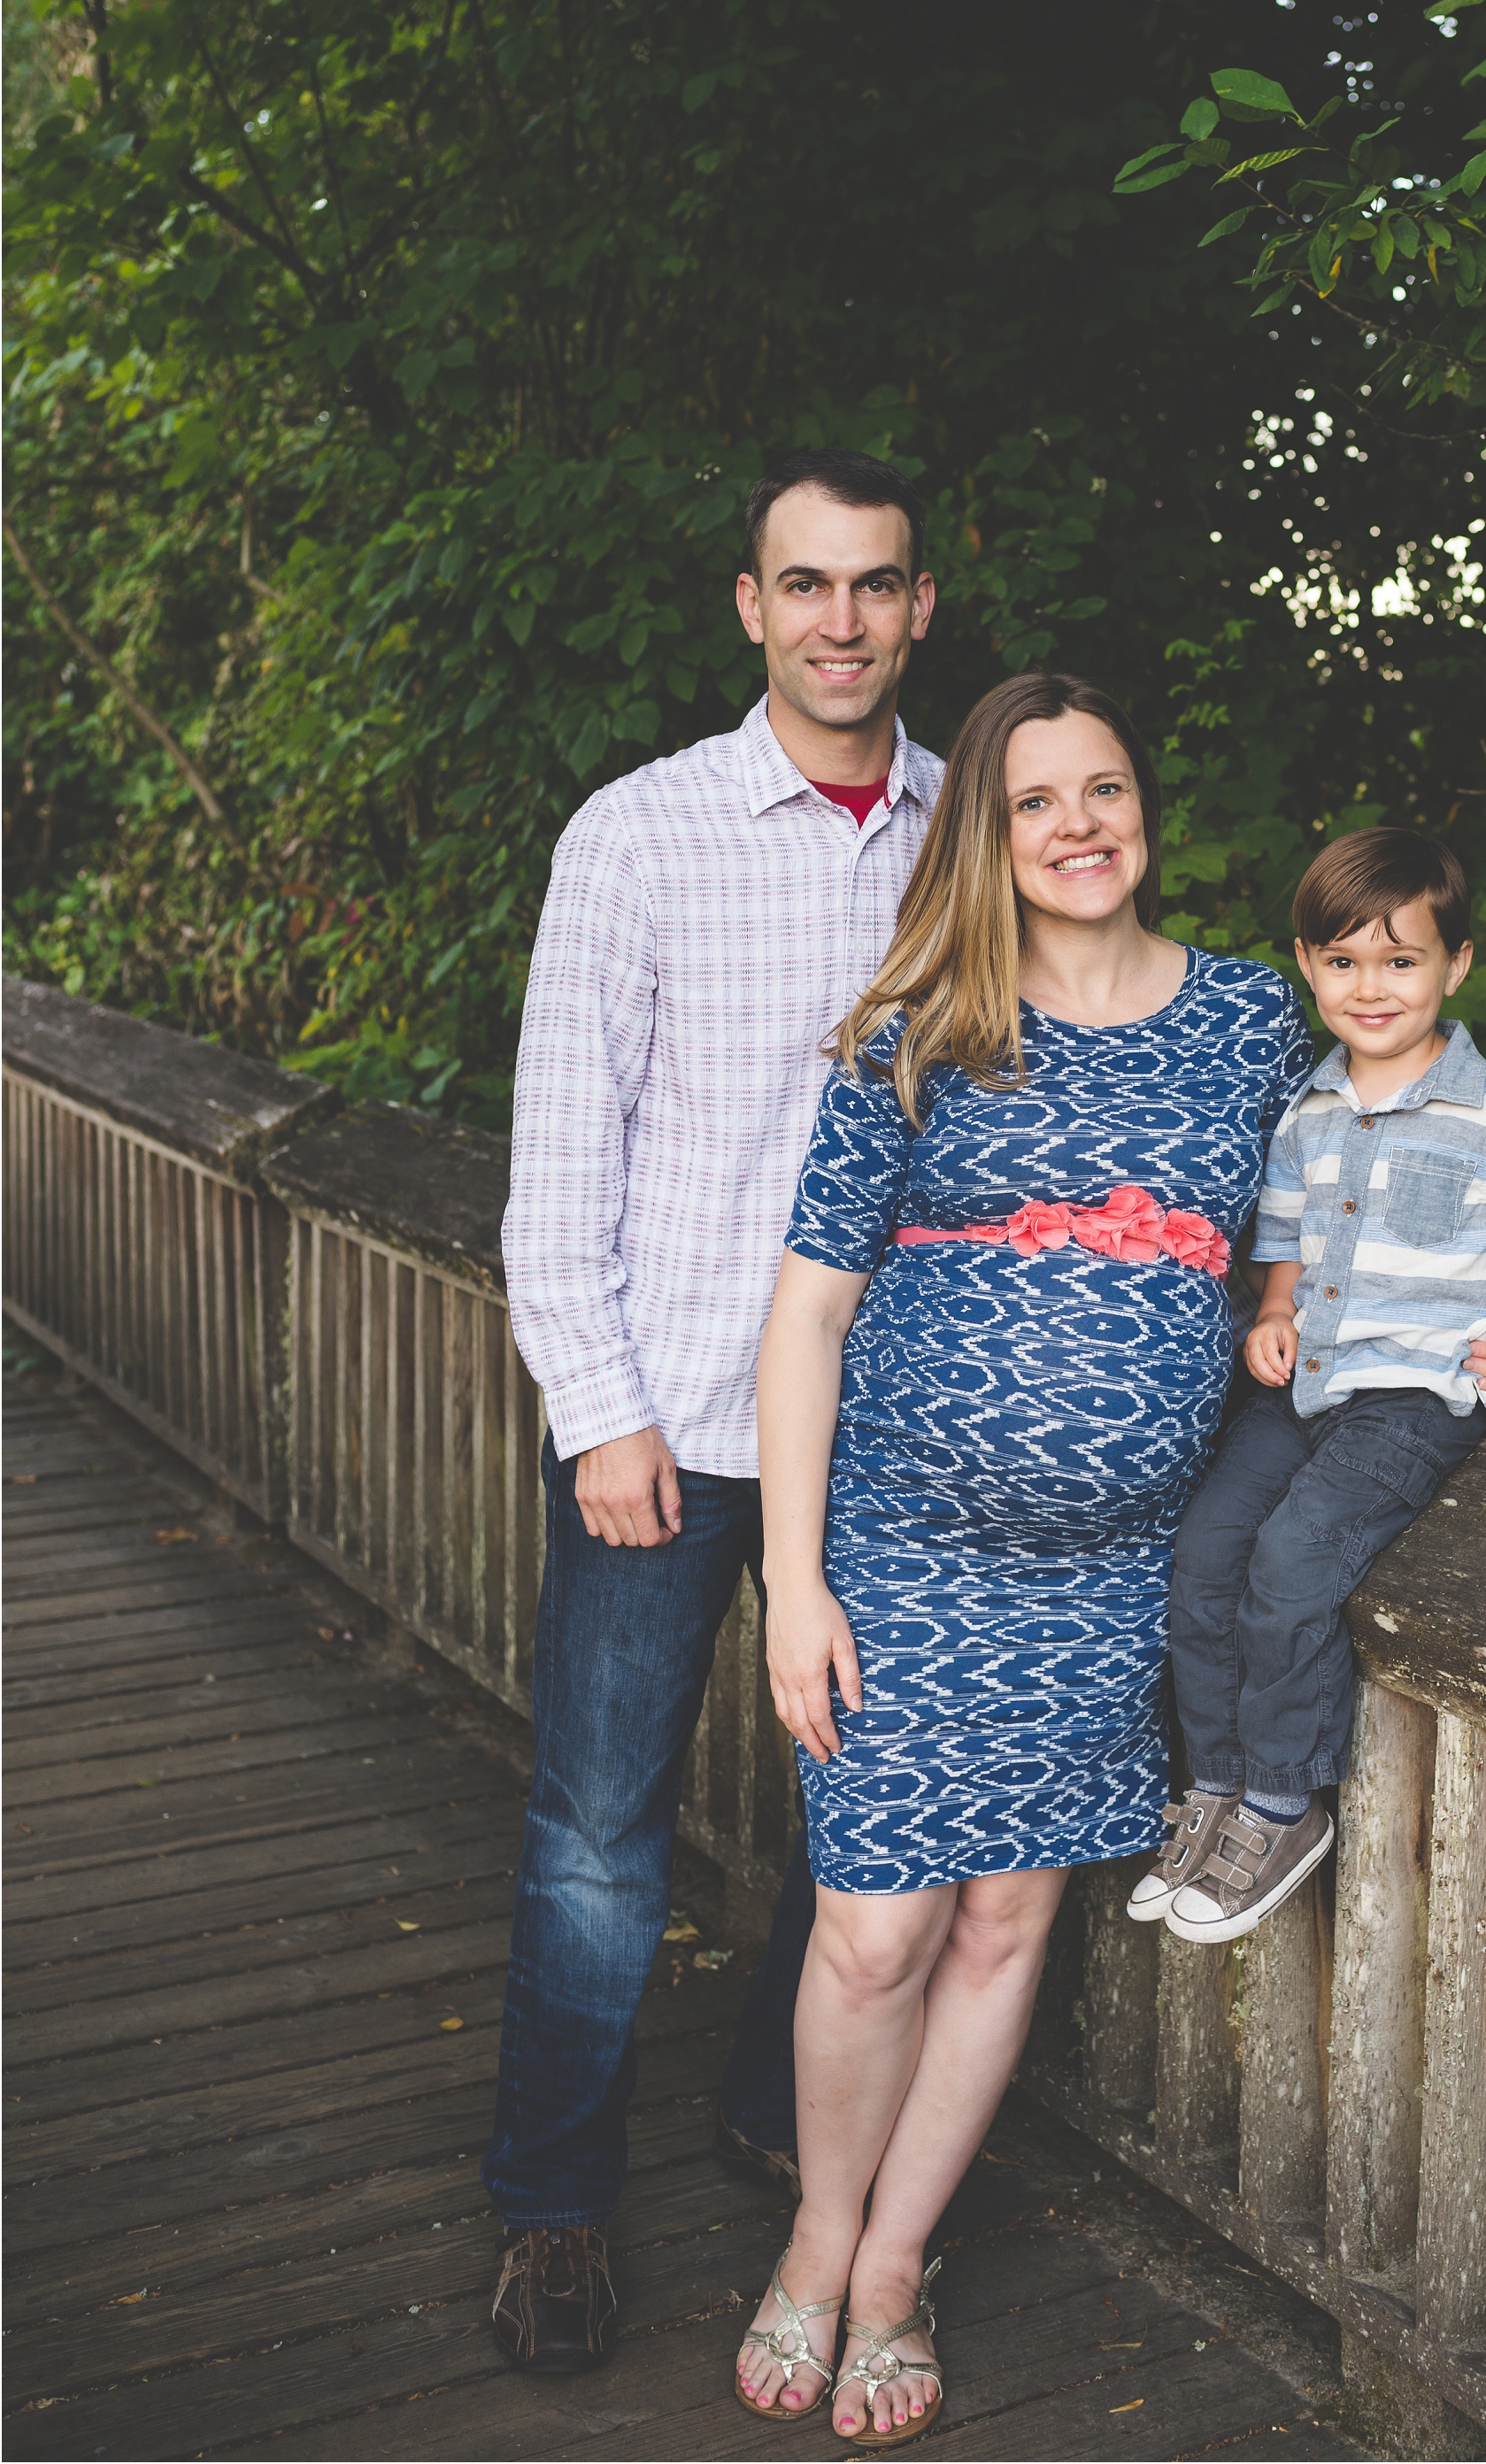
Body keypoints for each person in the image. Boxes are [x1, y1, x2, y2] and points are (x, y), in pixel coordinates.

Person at [734, 689, 1486, 2442]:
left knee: (1007, 1916)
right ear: (990, 835)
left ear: (1142, 811)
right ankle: (815, 2242)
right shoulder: (920, 1021)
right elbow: (804, 1312)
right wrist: (792, 1579)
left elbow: (1389, 1175)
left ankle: (894, 2273)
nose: (1077, 822)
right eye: (1036, 800)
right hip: (901, 1543)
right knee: (875, 1933)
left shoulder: (1256, 1022)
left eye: (1103, 788)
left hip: (1112, 1568)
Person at [483, 447, 944, 2375]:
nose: (840, 618)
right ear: (749, 606)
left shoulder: (973, 835)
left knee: (875, 1838)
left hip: (900, 1435)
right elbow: (554, 1158)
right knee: (603, 1832)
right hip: (666, 1422)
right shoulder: (639, 834)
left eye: (876, 584)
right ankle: (551, 2206)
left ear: (921, 608)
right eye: (803, 584)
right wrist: (596, 1411)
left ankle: (775, 2107)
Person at [1136, 824, 1486, 1950]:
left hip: (1416, 1397)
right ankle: (1215, 1784)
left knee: (1293, 1558)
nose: (1372, 986)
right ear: (1309, 964)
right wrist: (1271, 1315)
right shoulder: (1308, 1104)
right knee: (1208, 1549)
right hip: (1305, 1385)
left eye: (1401, 959)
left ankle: (1283, 1800)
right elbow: (1281, 1238)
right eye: (1343, 960)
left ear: (1456, 964)